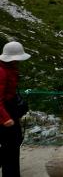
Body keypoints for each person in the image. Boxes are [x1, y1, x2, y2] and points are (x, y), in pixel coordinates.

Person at [0, 41, 30, 177]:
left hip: (9, 109)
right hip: (5, 112)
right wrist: (6, 118)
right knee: (10, 147)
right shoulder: (2, 72)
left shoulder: (8, 68)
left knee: (13, 145)